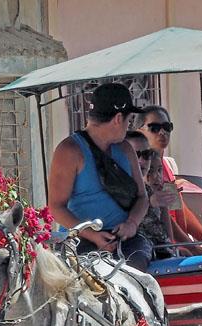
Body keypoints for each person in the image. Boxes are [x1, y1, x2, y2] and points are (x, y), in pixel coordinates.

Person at [48, 83, 152, 272]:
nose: (129, 126)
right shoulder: (69, 151)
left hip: (125, 241)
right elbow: (56, 207)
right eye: (129, 120)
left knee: (135, 277)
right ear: (118, 119)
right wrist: (92, 235)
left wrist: (131, 224)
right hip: (80, 242)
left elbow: (142, 197)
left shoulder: (126, 149)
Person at [136, 106, 202, 254]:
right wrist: (191, 247)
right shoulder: (140, 168)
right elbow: (161, 214)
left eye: (167, 127)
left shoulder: (167, 165)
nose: (162, 133)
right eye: (154, 127)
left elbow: (176, 206)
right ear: (139, 130)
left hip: (179, 247)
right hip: (159, 248)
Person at [125, 130, 175, 257]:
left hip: (161, 254)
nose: (142, 160)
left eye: (146, 154)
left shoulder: (151, 191)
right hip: (135, 255)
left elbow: (168, 238)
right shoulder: (116, 190)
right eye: (136, 155)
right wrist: (150, 202)